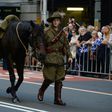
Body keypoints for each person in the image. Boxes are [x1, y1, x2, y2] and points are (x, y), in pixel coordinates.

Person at [37, 12, 72, 106]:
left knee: (59, 79)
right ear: (52, 21)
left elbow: (66, 45)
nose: (56, 22)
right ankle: (41, 90)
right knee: (49, 78)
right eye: (54, 20)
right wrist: (41, 56)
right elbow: (41, 45)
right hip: (50, 58)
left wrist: (70, 56)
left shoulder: (63, 33)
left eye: (57, 20)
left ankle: (57, 99)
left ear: (60, 21)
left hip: (60, 58)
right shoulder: (46, 31)